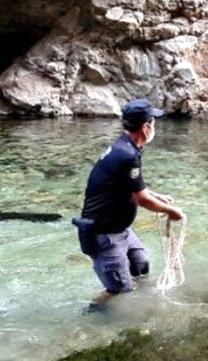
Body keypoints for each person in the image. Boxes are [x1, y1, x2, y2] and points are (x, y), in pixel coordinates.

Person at [74, 99, 185, 307]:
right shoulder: (126, 155)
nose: (155, 128)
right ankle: (93, 318)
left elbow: (132, 188)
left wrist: (158, 197)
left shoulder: (126, 147)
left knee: (141, 266)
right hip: (104, 235)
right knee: (119, 292)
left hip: (121, 229)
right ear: (146, 127)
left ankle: (141, 304)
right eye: (153, 123)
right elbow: (142, 199)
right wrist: (172, 212)